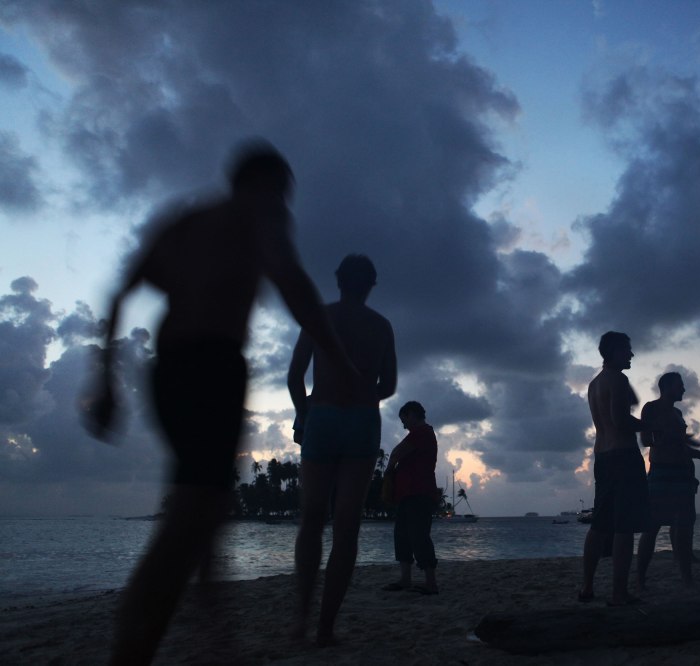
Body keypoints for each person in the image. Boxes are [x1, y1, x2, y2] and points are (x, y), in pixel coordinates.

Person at [81, 141, 355, 666]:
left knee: (201, 509)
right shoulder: (260, 208)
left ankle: (210, 622)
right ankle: (133, 649)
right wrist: (336, 356)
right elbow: (292, 280)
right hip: (211, 369)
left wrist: (106, 384)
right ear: (268, 184)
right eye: (283, 193)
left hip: (169, 372)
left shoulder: (186, 221)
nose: (285, 206)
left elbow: (121, 294)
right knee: (187, 521)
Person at [288, 253, 397, 646]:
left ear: (338, 281)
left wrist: (304, 414)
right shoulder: (381, 326)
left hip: (325, 415)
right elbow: (389, 385)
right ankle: (326, 628)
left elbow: (294, 376)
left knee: (312, 520)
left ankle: (301, 618)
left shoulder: (320, 317)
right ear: (370, 284)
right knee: (346, 527)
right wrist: (364, 389)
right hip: (362, 419)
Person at [579, 331, 650, 606]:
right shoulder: (618, 379)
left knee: (600, 524)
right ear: (615, 351)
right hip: (622, 456)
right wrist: (652, 426)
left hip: (603, 456)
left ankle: (587, 587)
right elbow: (620, 421)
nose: (631, 355)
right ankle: (619, 593)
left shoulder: (594, 383)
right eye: (627, 350)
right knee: (624, 526)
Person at [636, 372, 700, 589]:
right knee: (651, 527)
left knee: (684, 527)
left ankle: (687, 577)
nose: (683, 390)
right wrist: (668, 436)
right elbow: (646, 440)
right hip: (661, 474)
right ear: (668, 386)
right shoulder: (651, 408)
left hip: (682, 475)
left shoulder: (678, 412)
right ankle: (640, 578)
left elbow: (681, 447)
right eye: (680, 386)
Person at [381, 401, 439, 594]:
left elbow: (397, 452)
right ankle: (405, 579)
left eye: (403, 419)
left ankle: (430, 582)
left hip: (419, 493)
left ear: (412, 414)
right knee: (402, 536)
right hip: (408, 494)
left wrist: (388, 472)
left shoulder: (422, 433)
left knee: (419, 536)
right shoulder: (418, 435)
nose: (403, 425)